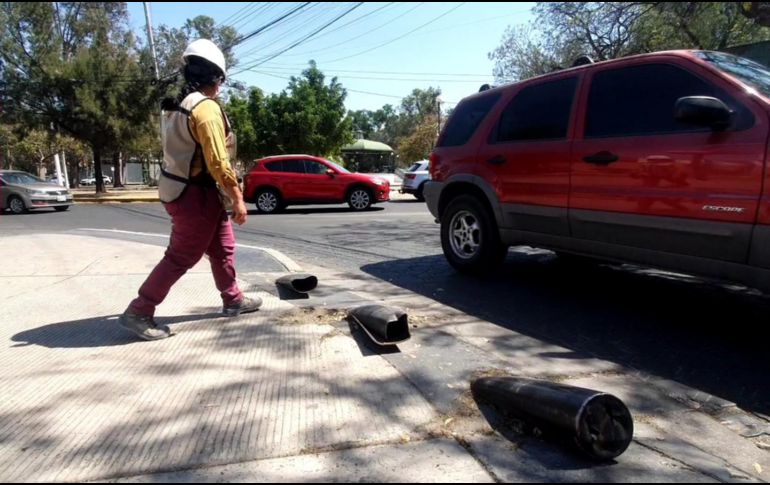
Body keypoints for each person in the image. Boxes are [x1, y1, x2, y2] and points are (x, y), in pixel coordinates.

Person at [119, 39, 261, 341]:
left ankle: (233, 299)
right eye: (221, 80)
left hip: (189, 190)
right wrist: (238, 199)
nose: (221, 86)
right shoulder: (205, 108)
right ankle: (139, 311)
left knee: (223, 248)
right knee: (181, 256)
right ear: (216, 79)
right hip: (195, 195)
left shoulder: (179, 105)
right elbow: (219, 163)